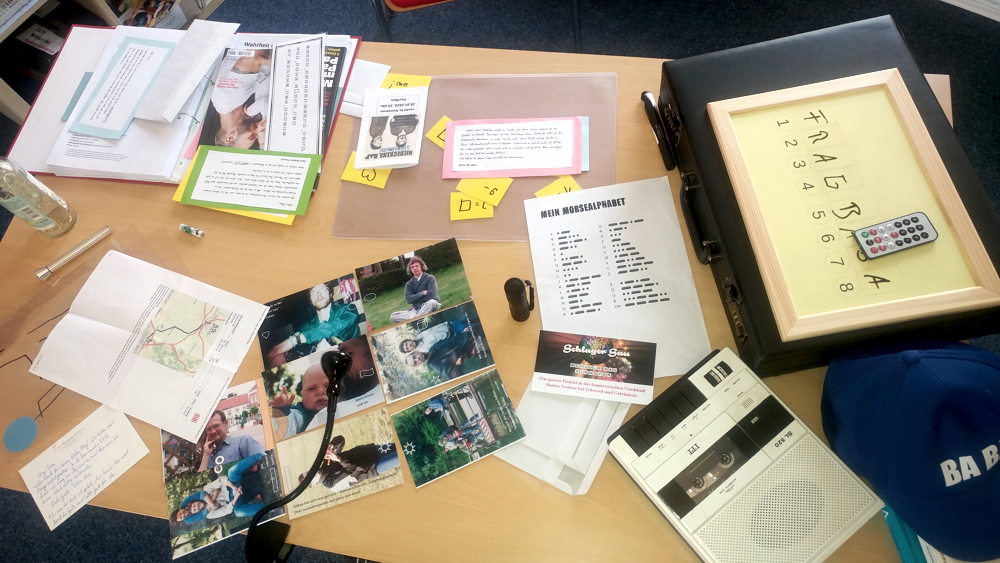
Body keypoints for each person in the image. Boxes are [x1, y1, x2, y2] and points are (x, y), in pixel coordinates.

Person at [266, 283, 361, 368]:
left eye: (323, 290)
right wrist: (281, 355)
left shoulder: (348, 309)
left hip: (352, 362)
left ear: (330, 294)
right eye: (314, 292)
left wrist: (295, 340)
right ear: (310, 301)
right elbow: (290, 348)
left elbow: (333, 327)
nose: (319, 294)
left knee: (322, 343)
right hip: (319, 369)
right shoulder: (308, 326)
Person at [205, 49, 272, 149]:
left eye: (252, 136)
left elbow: (256, 55)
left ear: (230, 137)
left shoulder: (228, 100)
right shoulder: (232, 103)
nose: (257, 130)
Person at [175, 453, 268, 524]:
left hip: (231, 485)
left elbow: (221, 480)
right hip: (233, 499)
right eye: (196, 510)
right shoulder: (209, 515)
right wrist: (235, 497)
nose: (197, 507)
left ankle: (258, 455)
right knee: (238, 512)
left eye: (194, 506)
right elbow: (226, 510)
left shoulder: (206, 490)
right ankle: (268, 507)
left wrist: (234, 488)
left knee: (231, 472)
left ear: (192, 502)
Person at [299, 436, 399, 491]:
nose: (311, 473)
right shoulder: (331, 485)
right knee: (402, 454)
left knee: (402, 442)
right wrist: (339, 459)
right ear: (313, 484)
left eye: (308, 473)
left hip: (372, 450)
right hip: (373, 467)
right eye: (310, 478)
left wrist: (332, 445)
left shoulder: (325, 462)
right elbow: (354, 470)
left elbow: (341, 440)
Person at [269, 362, 329, 439]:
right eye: (312, 388)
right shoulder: (300, 415)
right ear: (302, 395)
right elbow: (284, 432)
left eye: (328, 386)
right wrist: (281, 414)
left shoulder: (344, 405)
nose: (320, 391)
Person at [197, 410, 264, 472]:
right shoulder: (208, 456)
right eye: (209, 429)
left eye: (216, 426)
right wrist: (205, 456)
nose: (213, 431)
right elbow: (201, 478)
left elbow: (264, 461)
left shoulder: (243, 442)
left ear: (225, 423)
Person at [405, 329, 477, 381]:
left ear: (415, 352)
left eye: (414, 357)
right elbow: (453, 376)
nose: (417, 359)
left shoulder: (432, 348)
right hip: (474, 345)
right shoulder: (434, 364)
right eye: (415, 362)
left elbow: (450, 341)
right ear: (418, 364)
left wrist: (462, 333)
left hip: (469, 332)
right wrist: (460, 357)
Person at [388, 256, 441, 324]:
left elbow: (432, 295)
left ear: (421, 267)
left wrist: (415, 299)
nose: (414, 268)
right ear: (410, 269)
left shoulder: (430, 278)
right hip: (416, 309)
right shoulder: (409, 284)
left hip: (431, 305)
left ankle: (415, 319)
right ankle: (418, 318)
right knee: (393, 316)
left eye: (416, 266)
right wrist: (422, 293)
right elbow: (408, 299)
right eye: (412, 267)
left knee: (431, 302)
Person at [399, 318, 471, 355]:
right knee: (474, 326)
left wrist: (450, 323)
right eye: (407, 348)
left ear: (407, 340)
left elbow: (434, 328)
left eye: (406, 344)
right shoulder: (425, 350)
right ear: (410, 350)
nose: (409, 345)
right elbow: (443, 345)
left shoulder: (419, 335)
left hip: (453, 323)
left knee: (475, 318)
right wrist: (461, 334)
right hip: (456, 332)